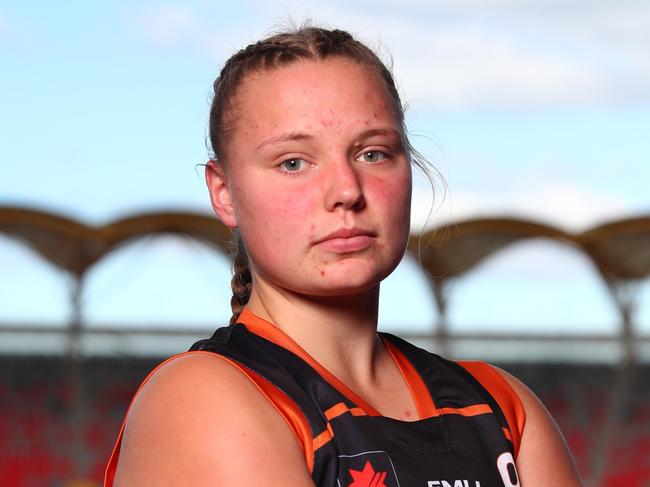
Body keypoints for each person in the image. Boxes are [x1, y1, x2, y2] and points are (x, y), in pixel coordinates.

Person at [105, 26, 582, 486]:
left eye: (372, 154)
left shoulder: (500, 405)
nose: (346, 191)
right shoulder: (200, 397)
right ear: (224, 192)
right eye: (293, 162)